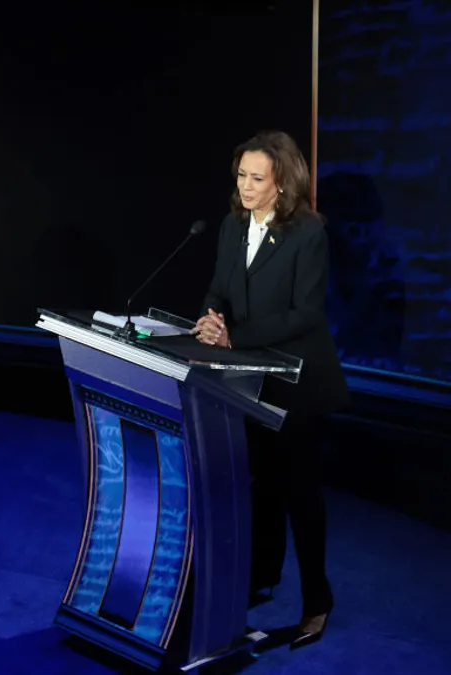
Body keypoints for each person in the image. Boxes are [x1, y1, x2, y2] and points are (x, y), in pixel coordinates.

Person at [193, 130, 349, 650]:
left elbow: (305, 314)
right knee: (261, 487)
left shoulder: (308, 232)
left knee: (300, 494)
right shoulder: (231, 226)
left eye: (257, 178)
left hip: (300, 382)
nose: (245, 186)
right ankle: (262, 577)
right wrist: (211, 319)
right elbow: (220, 287)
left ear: (282, 182)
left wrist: (237, 334)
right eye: (241, 175)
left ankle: (317, 602)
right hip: (249, 378)